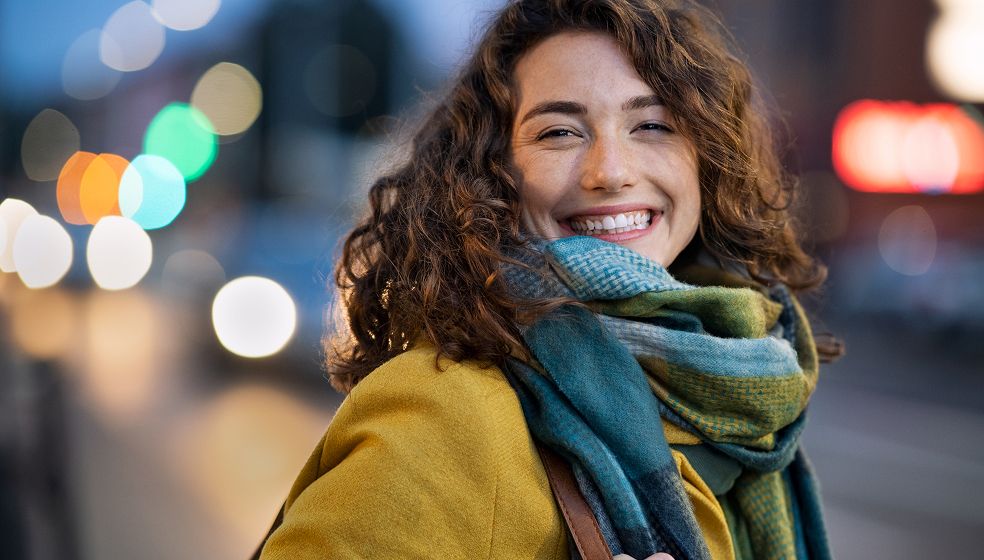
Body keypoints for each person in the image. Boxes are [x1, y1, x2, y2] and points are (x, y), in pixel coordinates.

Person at [257, 0, 842, 559]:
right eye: (559, 132)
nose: (610, 172)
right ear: (491, 171)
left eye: (653, 125)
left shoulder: (750, 393)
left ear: (706, 157)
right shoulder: (445, 412)